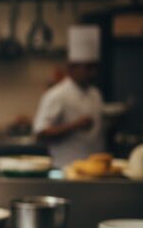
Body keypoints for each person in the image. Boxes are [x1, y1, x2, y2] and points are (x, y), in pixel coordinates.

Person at [33, 24, 104, 168]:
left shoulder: (95, 94)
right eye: (88, 68)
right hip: (65, 169)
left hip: (96, 170)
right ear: (72, 67)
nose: (93, 73)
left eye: (95, 67)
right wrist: (75, 126)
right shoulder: (57, 95)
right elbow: (41, 134)